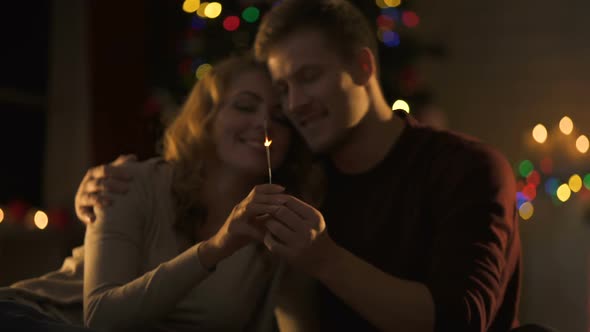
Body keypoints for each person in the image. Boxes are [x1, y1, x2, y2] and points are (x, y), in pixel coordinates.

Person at [77, 0, 523, 331]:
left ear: (364, 67)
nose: (293, 105)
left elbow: (459, 322)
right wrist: (100, 187)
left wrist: (325, 259)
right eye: (284, 88)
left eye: (309, 77)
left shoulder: (466, 168)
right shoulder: (302, 178)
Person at [1, 53, 319, 331]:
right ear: (206, 118)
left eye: (280, 116)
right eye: (245, 106)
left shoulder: (275, 230)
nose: (264, 123)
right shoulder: (129, 181)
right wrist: (218, 246)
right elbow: (101, 318)